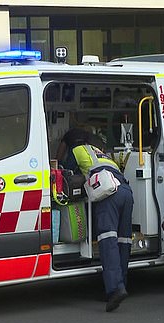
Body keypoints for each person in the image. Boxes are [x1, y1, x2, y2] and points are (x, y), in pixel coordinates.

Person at [58, 128, 134, 312]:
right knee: (123, 241)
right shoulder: (99, 151)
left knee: (107, 242)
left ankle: (115, 289)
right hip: (125, 191)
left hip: (108, 194)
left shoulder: (76, 150)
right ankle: (121, 283)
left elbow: (64, 171)